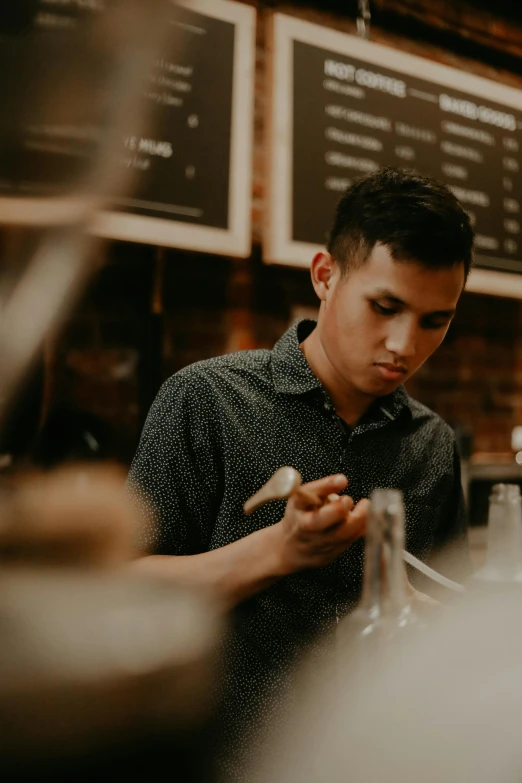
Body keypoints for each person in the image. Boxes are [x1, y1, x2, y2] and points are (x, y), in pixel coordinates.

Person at [126, 167, 474, 776]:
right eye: (385, 306)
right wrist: (280, 550)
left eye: (434, 321)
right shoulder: (207, 398)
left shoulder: (433, 445)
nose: (403, 344)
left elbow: (446, 626)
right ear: (325, 275)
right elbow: (120, 595)